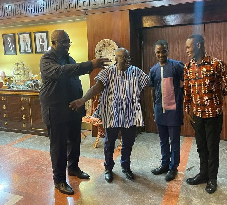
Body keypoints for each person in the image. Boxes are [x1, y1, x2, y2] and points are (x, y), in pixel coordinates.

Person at [39, 29, 110, 195]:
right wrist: (90, 64)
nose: (66, 45)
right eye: (63, 42)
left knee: (75, 141)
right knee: (59, 147)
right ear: (53, 43)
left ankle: (73, 168)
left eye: (68, 42)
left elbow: (73, 75)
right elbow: (61, 72)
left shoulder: (68, 58)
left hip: (72, 109)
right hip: (55, 111)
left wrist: (81, 102)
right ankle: (59, 180)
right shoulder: (47, 60)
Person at [69, 48, 149, 183]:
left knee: (128, 143)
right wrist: (82, 100)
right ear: (116, 59)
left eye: (128, 58)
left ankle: (126, 167)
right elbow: (96, 89)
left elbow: (148, 83)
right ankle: (108, 168)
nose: (126, 60)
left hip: (130, 114)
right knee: (109, 143)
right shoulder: (107, 73)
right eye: (123, 58)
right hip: (112, 114)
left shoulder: (135, 71)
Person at [183, 34, 227, 194]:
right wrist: (187, 109)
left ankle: (212, 179)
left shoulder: (216, 64)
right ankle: (203, 174)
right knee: (201, 147)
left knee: (212, 148)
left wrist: (214, 95)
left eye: (188, 47)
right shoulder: (188, 67)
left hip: (213, 115)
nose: (187, 51)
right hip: (197, 115)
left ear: (199, 45)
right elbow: (187, 90)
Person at [149, 40, 184, 181]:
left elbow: (187, 81)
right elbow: (153, 91)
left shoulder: (176, 66)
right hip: (160, 110)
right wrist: (154, 108)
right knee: (163, 140)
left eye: (163, 51)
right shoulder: (153, 70)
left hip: (174, 111)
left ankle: (173, 167)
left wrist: (182, 97)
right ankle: (164, 164)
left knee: (174, 141)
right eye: (158, 52)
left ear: (167, 50)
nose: (161, 54)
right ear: (155, 53)